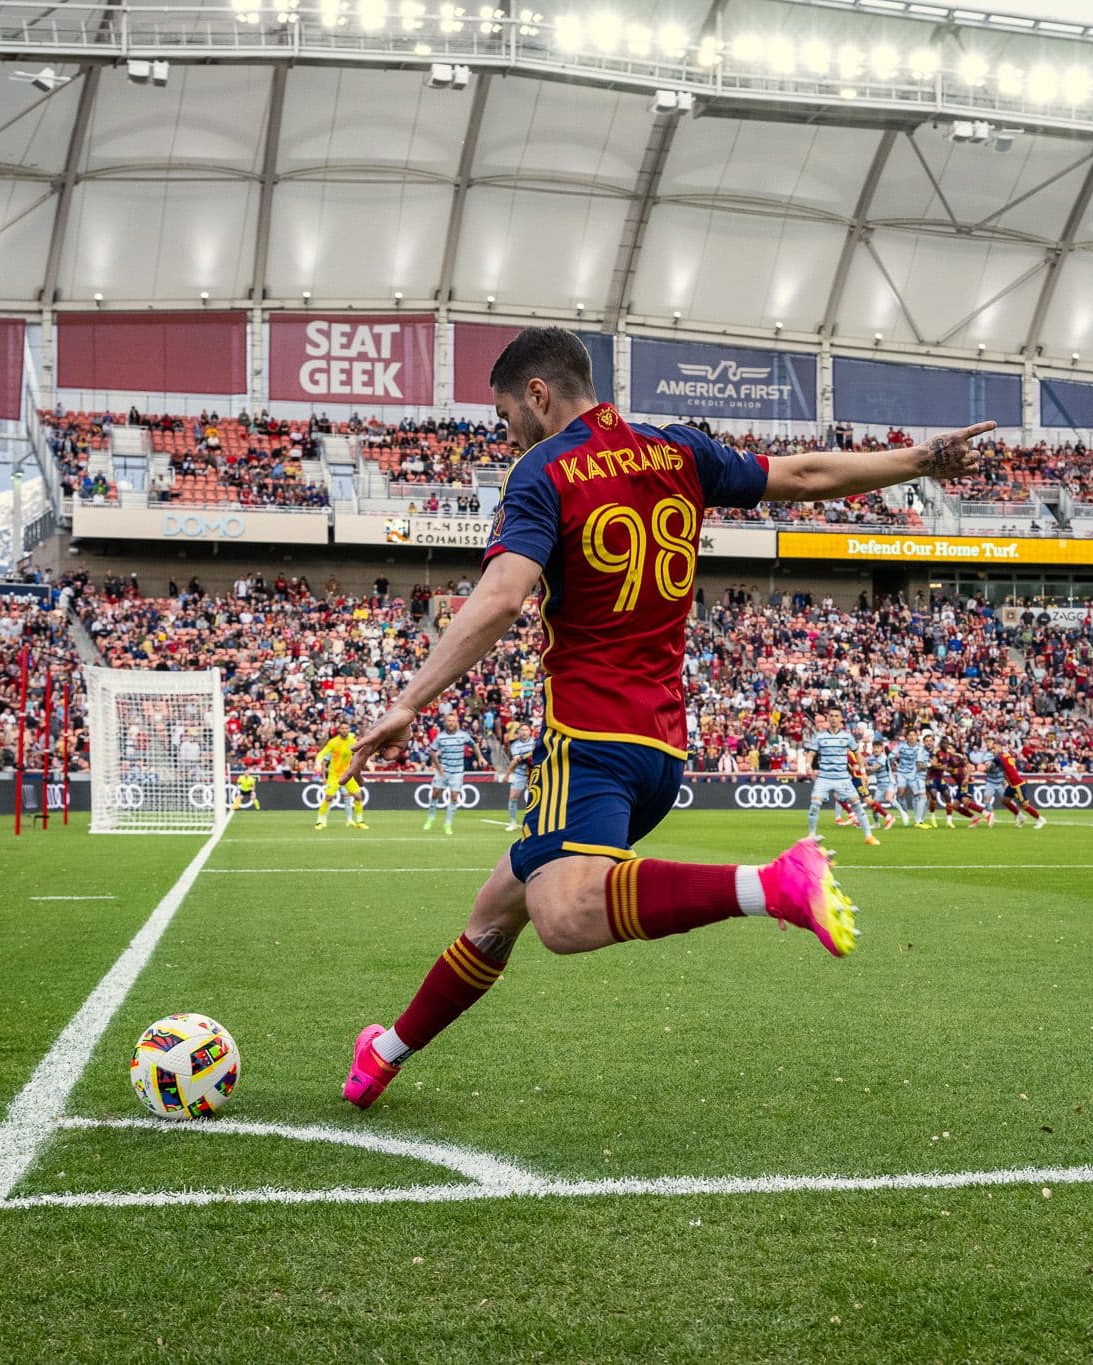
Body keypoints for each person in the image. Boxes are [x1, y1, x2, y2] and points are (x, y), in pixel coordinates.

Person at [338, 326, 995, 1108]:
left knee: (565, 914)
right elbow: (805, 472)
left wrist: (409, 700)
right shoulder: (675, 449)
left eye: (507, 411)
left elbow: (503, 595)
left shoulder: (541, 470)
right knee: (495, 913)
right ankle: (383, 1051)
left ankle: (774, 884)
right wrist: (922, 461)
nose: (506, 429)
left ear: (539, 395)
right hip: (661, 746)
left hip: (588, 738)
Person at [805, 708, 877, 846]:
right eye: (831, 715)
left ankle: (869, 836)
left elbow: (857, 753)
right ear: (828, 718)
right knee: (815, 805)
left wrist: (862, 771)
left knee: (856, 805)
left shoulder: (847, 737)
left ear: (841, 719)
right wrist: (808, 765)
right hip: (824, 777)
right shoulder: (820, 737)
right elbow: (811, 753)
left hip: (842, 778)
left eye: (836, 716)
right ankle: (811, 836)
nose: (833, 718)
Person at [422, 714, 475, 835]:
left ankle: (448, 823)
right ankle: (431, 817)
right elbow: (432, 751)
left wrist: (481, 757)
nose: (451, 723)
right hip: (443, 770)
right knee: (435, 793)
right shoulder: (440, 737)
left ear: (457, 722)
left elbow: (474, 745)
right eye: (449, 721)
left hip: (457, 772)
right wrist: (437, 766)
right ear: (445, 722)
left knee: (454, 797)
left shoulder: (463, 735)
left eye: (453, 721)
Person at [313, 728, 368, 831]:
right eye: (342, 728)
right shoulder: (333, 743)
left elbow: (360, 754)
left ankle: (357, 821)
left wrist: (368, 763)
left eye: (346, 728)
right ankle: (320, 821)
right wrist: (319, 766)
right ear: (339, 730)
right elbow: (323, 756)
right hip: (334, 775)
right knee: (329, 797)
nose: (344, 730)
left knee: (357, 796)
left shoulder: (352, 742)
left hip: (347, 774)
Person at [994, 741, 1045, 829]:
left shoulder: (999, 757)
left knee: (1024, 805)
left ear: (999, 748)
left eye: (994, 748)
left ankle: (1040, 819)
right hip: (1012, 784)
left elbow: (998, 767)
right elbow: (1005, 769)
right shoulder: (1005, 755)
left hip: (1017, 784)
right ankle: (1020, 817)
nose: (992, 751)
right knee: (1005, 801)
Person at [502, 722, 536, 829]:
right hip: (520, 773)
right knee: (512, 797)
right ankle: (512, 822)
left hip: (534, 773)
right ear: (519, 733)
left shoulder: (535, 742)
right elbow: (517, 760)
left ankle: (533, 823)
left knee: (535, 798)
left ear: (530, 732)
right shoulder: (515, 745)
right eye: (522, 730)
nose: (524, 732)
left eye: (526, 730)